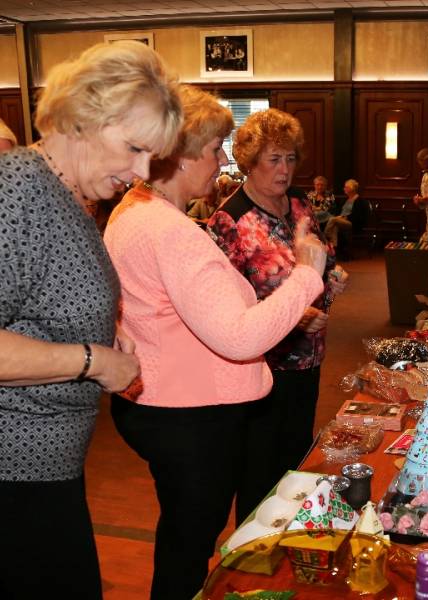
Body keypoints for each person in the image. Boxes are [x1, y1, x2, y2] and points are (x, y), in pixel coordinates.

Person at [104, 87, 327, 600]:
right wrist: (305, 277)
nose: (222, 160)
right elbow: (239, 338)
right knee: (189, 544)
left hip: (161, 402)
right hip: (189, 416)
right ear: (180, 156)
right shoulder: (169, 231)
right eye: (214, 149)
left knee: (184, 538)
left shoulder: (133, 211)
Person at [0, 41, 182, 599]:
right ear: (83, 119)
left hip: (47, 466)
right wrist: (93, 360)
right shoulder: (16, 191)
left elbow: (40, 300)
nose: (143, 171)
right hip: (14, 470)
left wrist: (102, 329)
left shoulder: (64, 191)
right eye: (134, 148)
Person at [207, 108, 349, 521]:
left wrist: (332, 279)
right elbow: (221, 309)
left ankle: (289, 543)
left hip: (308, 361)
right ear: (249, 162)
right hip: (262, 369)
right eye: (273, 159)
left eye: (290, 158)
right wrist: (295, 317)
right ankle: (252, 550)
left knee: (295, 466)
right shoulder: (230, 220)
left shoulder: (300, 204)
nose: (284, 169)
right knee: (259, 476)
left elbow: (317, 263)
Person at [324, 178, 370, 249]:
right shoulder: (345, 200)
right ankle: (334, 247)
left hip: (352, 223)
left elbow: (358, 216)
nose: (344, 189)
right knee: (335, 226)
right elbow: (339, 211)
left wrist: (344, 217)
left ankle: (324, 236)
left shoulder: (360, 201)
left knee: (333, 219)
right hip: (341, 220)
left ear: (352, 189)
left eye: (346, 187)